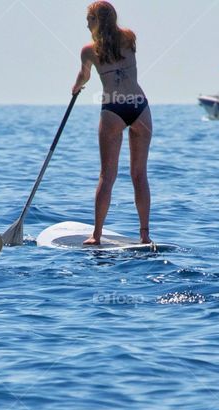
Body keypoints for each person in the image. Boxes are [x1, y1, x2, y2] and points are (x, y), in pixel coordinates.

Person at [73, 1, 153, 245]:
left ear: (97, 20)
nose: (86, 24)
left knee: (107, 176)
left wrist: (76, 87)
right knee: (139, 175)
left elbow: (85, 75)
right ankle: (145, 234)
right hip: (140, 107)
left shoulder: (88, 51)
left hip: (113, 109)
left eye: (89, 19)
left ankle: (96, 235)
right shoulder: (129, 38)